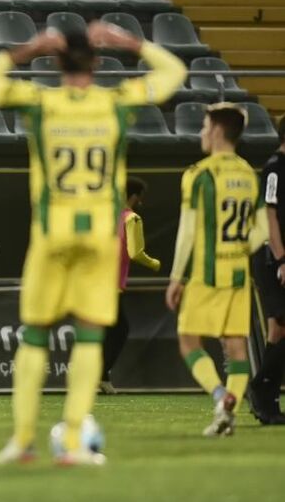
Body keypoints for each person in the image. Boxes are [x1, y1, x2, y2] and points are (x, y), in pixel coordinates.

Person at [0, 23, 186, 465]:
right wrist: (131, 42)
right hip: (100, 236)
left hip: (52, 234)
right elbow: (175, 73)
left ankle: (22, 441)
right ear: (98, 62)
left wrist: (29, 49)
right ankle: (71, 443)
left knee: (34, 336)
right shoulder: (116, 103)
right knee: (89, 337)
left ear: (55, 61)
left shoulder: (40, 104)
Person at [166, 103, 269, 436]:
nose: (201, 132)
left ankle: (219, 395)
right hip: (238, 274)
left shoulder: (198, 175)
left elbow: (187, 232)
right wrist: (240, 247)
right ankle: (228, 412)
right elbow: (263, 230)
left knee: (188, 341)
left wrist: (176, 277)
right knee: (237, 348)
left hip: (206, 275)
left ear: (217, 131)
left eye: (204, 126)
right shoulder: (249, 175)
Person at [100, 177, 162, 394]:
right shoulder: (131, 219)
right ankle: (100, 374)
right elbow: (135, 252)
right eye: (140, 197)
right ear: (134, 197)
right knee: (119, 330)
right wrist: (155, 264)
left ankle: (101, 375)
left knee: (109, 330)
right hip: (111, 283)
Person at [248, 116, 285, 424]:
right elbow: (269, 215)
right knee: (280, 326)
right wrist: (281, 259)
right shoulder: (274, 168)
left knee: (279, 329)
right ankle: (261, 391)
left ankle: (266, 400)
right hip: (271, 258)